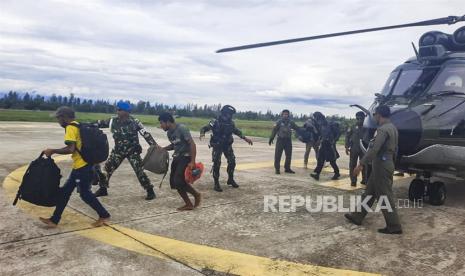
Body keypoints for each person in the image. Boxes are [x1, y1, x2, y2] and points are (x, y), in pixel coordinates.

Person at [39, 106, 110, 228]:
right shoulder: (78, 125)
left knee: (85, 194)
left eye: (58, 118)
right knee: (65, 193)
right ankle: (54, 220)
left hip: (82, 167)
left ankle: (104, 215)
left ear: (64, 118)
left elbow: (70, 149)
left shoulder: (71, 128)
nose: (58, 121)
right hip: (83, 165)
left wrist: (53, 151)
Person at [345, 105, 402, 235]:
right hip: (385, 164)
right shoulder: (393, 128)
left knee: (385, 196)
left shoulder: (382, 130)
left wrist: (361, 164)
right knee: (369, 192)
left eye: (375, 115)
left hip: (381, 165)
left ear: (379, 115)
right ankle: (357, 216)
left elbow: (374, 149)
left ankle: (394, 225)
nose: (374, 117)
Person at [93, 101, 157, 200]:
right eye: (117, 110)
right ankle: (103, 189)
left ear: (126, 112)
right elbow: (98, 124)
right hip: (118, 150)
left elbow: (146, 134)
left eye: (119, 110)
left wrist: (154, 146)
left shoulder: (135, 122)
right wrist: (82, 126)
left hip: (133, 151)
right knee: (107, 169)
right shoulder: (112, 121)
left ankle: (150, 190)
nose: (117, 112)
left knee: (139, 171)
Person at [200, 105, 253, 192]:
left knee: (232, 162)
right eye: (229, 114)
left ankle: (230, 179)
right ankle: (216, 183)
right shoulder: (215, 121)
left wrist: (245, 138)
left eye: (231, 114)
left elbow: (236, 131)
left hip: (227, 145)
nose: (230, 116)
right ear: (224, 113)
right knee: (217, 163)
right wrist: (202, 133)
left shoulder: (231, 123)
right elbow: (204, 128)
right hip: (217, 145)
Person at [159, 112, 201, 211]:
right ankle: (189, 204)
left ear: (168, 122)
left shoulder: (182, 128)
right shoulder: (169, 133)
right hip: (177, 158)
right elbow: (174, 145)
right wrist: (163, 149)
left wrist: (192, 161)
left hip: (186, 157)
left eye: (161, 123)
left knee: (178, 181)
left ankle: (196, 195)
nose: (161, 126)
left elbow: (192, 144)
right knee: (174, 182)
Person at [310, 112, 340, 180]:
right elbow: (321, 134)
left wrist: (334, 140)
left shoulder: (329, 124)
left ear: (320, 118)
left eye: (317, 118)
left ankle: (337, 173)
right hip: (323, 144)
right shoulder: (321, 125)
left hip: (329, 144)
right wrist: (319, 140)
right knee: (320, 159)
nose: (317, 120)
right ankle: (317, 174)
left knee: (332, 160)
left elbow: (337, 133)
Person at [269, 109, 300, 174]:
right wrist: (271, 138)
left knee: (289, 155)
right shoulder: (279, 122)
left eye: (287, 114)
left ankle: (287, 168)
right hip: (280, 140)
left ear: (288, 115)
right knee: (278, 155)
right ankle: (277, 169)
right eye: (284, 114)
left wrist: (304, 128)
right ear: (282, 114)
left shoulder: (291, 122)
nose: (285, 115)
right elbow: (274, 130)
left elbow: (297, 128)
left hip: (288, 141)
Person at [345, 111, 367, 186]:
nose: (359, 120)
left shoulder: (367, 126)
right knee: (352, 164)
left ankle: (365, 179)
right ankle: (353, 180)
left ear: (364, 118)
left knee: (364, 164)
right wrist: (346, 147)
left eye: (361, 118)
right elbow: (347, 136)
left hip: (364, 148)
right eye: (357, 118)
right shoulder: (352, 126)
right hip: (354, 147)